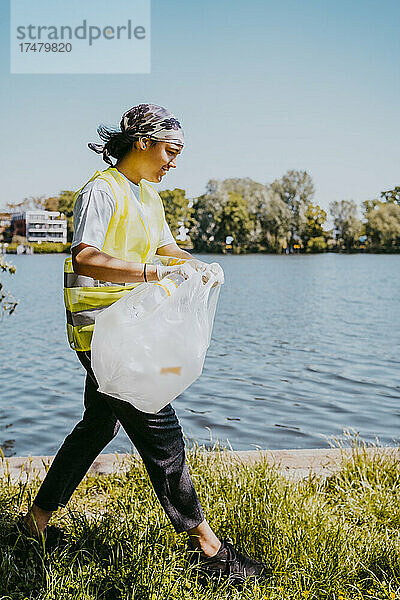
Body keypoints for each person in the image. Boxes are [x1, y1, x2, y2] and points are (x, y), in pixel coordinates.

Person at [22, 104, 268, 583]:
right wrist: (153, 272)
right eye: (170, 151)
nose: (173, 162)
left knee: (98, 427)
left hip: (129, 327)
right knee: (161, 427)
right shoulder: (100, 190)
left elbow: (165, 247)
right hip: (101, 332)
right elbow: (87, 258)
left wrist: (196, 266)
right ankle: (209, 548)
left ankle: (35, 524)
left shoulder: (149, 196)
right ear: (143, 141)